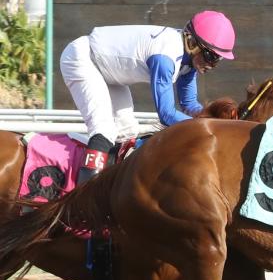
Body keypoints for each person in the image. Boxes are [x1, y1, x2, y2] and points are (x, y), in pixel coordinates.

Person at [60, 10, 236, 184]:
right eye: (210, 56)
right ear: (192, 43)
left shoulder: (189, 62)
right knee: (104, 130)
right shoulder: (164, 57)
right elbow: (166, 114)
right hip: (83, 59)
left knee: (127, 132)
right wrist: (208, 129)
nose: (212, 65)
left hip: (108, 72)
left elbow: (190, 105)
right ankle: (82, 199)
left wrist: (218, 122)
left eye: (217, 60)